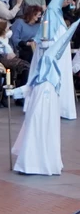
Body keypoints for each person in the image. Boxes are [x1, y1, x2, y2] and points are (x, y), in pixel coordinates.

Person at [11, 17, 75, 175]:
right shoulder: (40, 75)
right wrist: (12, 92)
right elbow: (30, 87)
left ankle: (37, 164)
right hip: (35, 112)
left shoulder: (50, 82)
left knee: (37, 133)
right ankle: (28, 163)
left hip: (43, 116)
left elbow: (37, 91)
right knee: (31, 133)